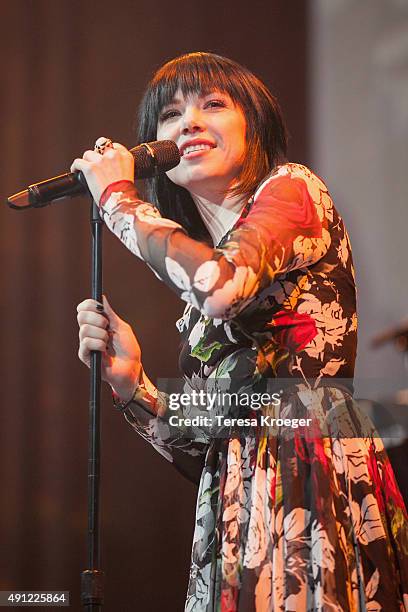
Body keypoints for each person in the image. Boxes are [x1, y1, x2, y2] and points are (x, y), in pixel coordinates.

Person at [73, 52, 408, 611]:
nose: (189, 123)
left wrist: (114, 198)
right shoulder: (202, 295)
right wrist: (134, 385)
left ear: (255, 125)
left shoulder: (294, 190)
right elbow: (212, 440)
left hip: (309, 480)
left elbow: (220, 287)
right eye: (172, 114)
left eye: (213, 104)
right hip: (240, 500)